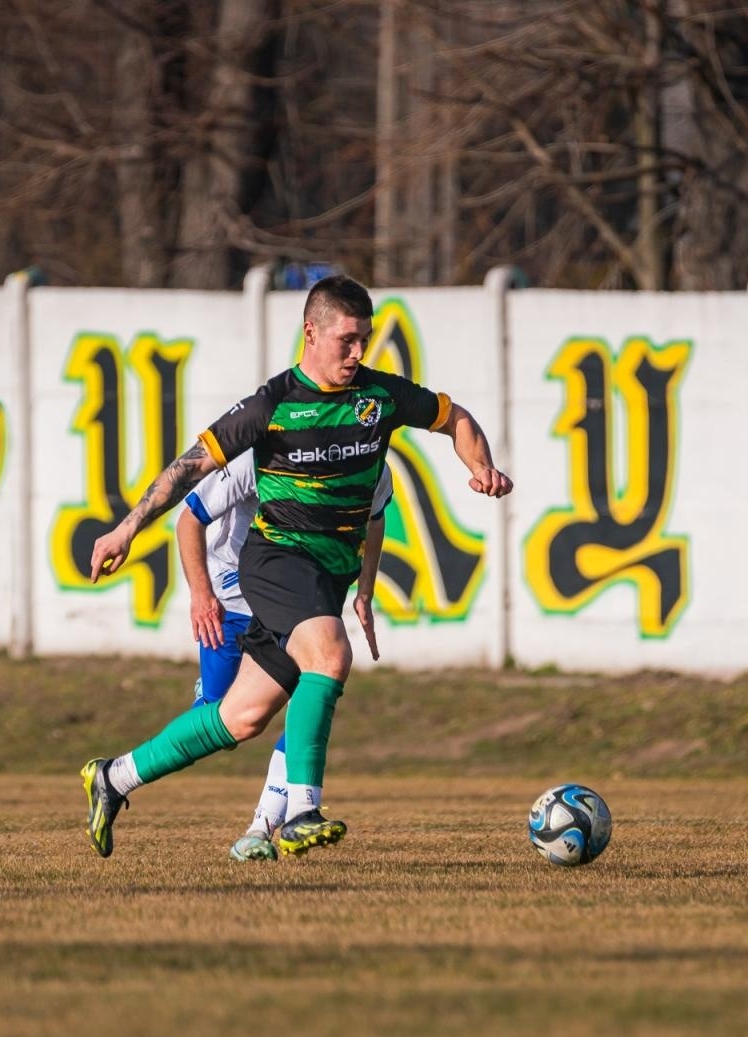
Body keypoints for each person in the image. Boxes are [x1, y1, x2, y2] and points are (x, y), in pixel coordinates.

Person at [82, 274, 512, 858]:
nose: (358, 353)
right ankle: (301, 811)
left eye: (365, 340)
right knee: (331, 654)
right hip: (278, 560)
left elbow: (454, 416)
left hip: (325, 577)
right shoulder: (272, 404)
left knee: (240, 717)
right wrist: (127, 527)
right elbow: (190, 469)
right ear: (310, 333)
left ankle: (114, 778)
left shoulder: (379, 398)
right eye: (348, 341)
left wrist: (479, 465)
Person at [179, 451, 391, 861]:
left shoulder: (368, 458)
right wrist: (201, 593)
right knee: (225, 720)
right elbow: (191, 516)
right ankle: (204, 699)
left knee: (309, 695)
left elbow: (376, 517)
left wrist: (365, 590)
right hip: (232, 599)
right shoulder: (255, 453)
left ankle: (262, 827)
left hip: (292, 598)